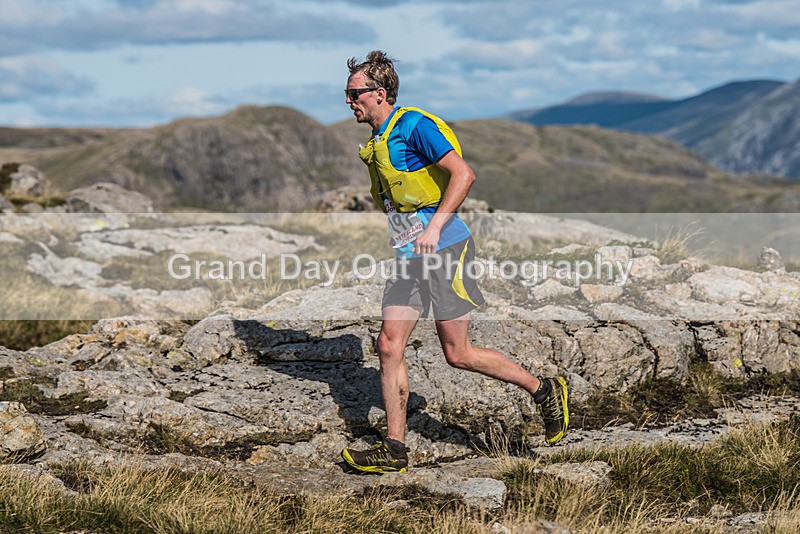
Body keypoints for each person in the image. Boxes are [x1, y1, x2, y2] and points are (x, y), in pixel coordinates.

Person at [340, 51, 569, 474]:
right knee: (389, 344)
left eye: (355, 93)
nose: (348, 100)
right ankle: (394, 448)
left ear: (380, 93)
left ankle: (544, 390)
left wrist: (432, 229)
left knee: (458, 353)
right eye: (346, 93)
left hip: (445, 249)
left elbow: (463, 174)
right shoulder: (377, 139)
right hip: (410, 257)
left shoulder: (413, 125)